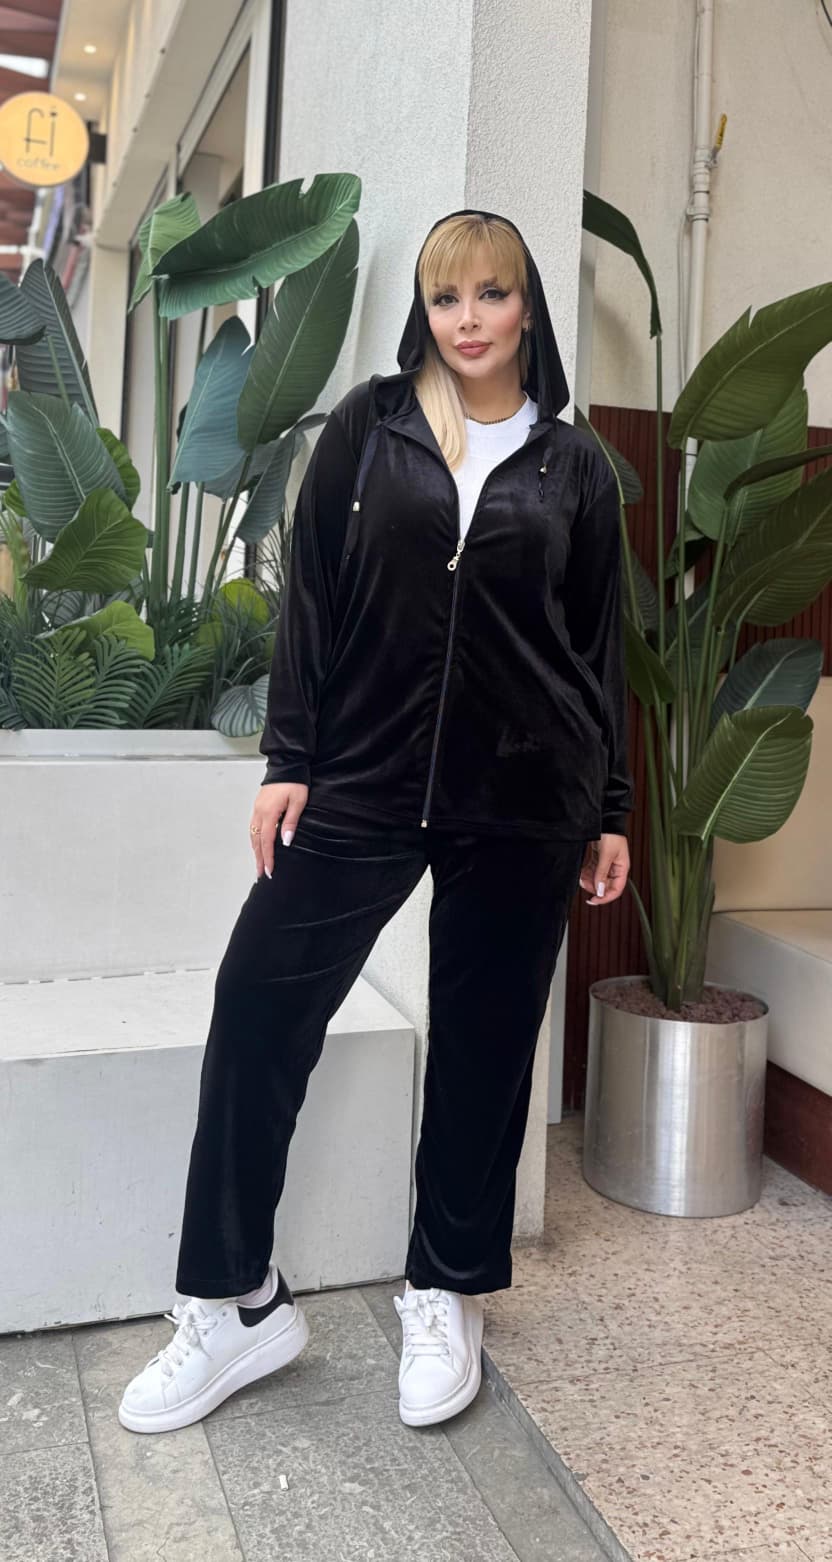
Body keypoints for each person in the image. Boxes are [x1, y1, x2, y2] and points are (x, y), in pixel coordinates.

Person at [118, 207, 634, 1437]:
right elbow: (312, 592)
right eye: (446, 297)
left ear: (527, 307)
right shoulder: (371, 424)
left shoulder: (573, 466)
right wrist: (289, 757)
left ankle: (444, 1285)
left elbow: (598, 646)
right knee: (260, 1003)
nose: (468, 319)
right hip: (363, 773)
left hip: (524, 791)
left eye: (491, 294)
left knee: (484, 1041)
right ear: (425, 309)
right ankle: (233, 1300)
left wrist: (609, 805)